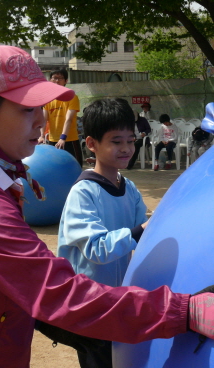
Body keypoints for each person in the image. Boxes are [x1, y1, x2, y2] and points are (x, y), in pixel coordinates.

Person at [0, 44, 214, 367]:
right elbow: (56, 290)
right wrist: (185, 311)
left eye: (42, 107)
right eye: (27, 110)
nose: (42, 121)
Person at [56, 98, 148, 366]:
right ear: (92, 144)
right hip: (90, 307)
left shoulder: (128, 187)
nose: (126, 148)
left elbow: (143, 239)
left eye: (130, 141)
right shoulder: (83, 192)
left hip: (119, 302)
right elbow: (97, 250)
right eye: (116, 141)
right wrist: (141, 230)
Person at [39, 68, 83, 166]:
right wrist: (41, 136)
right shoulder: (48, 99)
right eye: (54, 78)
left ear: (66, 81)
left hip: (69, 140)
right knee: (54, 167)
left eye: (60, 78)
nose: (57, 81)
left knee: (76, 166)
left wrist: (63, 138)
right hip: (52, 140)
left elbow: (69, 119)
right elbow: (44, 119)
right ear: (50, 80)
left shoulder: (72, 97)